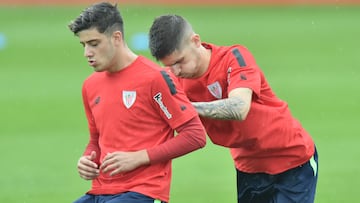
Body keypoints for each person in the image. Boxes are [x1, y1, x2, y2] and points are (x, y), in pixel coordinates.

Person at [149, 14, 318, 203]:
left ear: (195, 41)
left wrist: (185, 107)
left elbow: (239, 107)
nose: (176, 71)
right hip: (249, 168)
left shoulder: (234, 57)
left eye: (180, 61)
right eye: (169, 66)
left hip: (293, 160)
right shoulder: (173, 80)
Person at [68, 4, 207, 203]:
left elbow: (195, 136)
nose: (87, 53)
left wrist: (139, 157)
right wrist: (87, 160)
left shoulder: (155, 78)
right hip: (101, 191)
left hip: (144, 192)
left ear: (116, 38)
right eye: (84, 45)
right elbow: (96, 140)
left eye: (94, 43)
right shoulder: (90, 85)